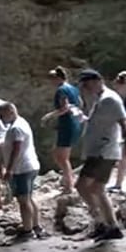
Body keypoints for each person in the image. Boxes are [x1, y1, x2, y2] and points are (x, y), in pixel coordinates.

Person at [75, 69, 126, 241]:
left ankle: (101, 222)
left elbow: (125, 124)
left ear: (97, 81)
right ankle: (111, 227)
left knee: (82, 186)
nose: (85, 88)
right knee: (96, 188)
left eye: (86, 84)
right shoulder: (100, 99)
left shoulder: (110, 99)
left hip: (103, 151)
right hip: (100, 150)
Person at [0, 103, 46, 239]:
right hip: (29, 166)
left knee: (23, 200)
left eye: (2, 115)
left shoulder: (16, 128)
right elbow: (11, 142)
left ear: (10, 112)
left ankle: (27, 231)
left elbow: (16, 149)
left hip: (22, 169)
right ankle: (36, 226)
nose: (0, 119)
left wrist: (9, 170)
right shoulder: (20, 122)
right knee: (28, 198)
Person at [41, 66, 83, 194]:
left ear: (58, 78)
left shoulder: (61, 90)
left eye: (52, 79)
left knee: (62, 157)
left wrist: (49, 116)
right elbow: (80, 103)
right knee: (58, 154)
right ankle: (68, 178)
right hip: (74, 123)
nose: (51, 81)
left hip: (67, 124)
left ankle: (69, 185)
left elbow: (64, 108)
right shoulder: (74, 89)